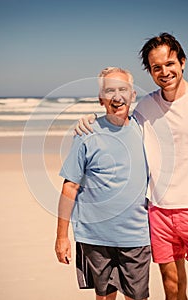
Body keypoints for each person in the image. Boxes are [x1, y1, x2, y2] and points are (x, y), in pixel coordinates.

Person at [75, 33, 188, 300]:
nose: (164, 71)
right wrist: (91, 119)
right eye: (156, 67)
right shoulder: (145, 107)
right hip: (158, 213)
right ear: (150, 72)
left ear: (182, 62)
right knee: (172, 290)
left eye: (170, 63)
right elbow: (118, 119)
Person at [55, 67, 151, 300]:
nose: (117, 97)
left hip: (136, 235)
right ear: (101, 99)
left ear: (132, 95)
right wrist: (61, 237)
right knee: (104, 296)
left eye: (123, 89)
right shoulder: (86, 132)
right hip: (94, 235)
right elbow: (70, 186)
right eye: (109, 91)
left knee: (137, 297)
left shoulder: (147, 129)